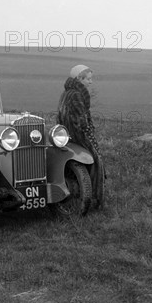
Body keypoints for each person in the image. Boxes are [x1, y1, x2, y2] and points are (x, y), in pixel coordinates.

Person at [57, 65, 105, 209]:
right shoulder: (77, 95)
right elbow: (81, 121)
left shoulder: (66, 93)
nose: (91, 82)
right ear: (80, 79)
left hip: (67, 135)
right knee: (96, 162)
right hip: (79, 135)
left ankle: (82, 194)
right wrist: (89, 134)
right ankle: (95, 198)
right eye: (88, 79)